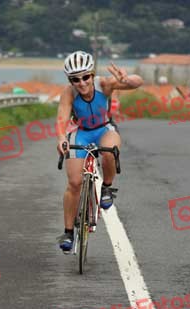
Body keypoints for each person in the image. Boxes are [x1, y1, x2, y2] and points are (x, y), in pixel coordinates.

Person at [56, 50, 143, 253]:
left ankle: (106, 187)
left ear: (92, 75)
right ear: (71, 80)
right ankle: (68, 232)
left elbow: (138, 82)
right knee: (74, 183)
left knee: (110, 151)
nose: (82, 83)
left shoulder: (104, 84)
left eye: (86, 77)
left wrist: (126, 79)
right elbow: (62, 118)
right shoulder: (68, 93)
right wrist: (61, 138)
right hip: (82, 133)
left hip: (104, 129)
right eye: (75, 79)